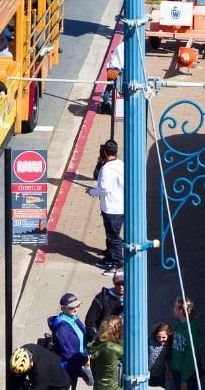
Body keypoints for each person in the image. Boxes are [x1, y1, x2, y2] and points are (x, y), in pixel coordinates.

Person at [88, 139, 124, 274]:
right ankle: (109, 257)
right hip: (119, 205)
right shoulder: (120, 164)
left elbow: (104, 189)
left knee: (113, 237)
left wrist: (91, 192)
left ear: (105, 153)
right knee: (111, 235)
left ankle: (117, 264)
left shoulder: (107, 169)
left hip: (111, 208)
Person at [47, 293, 91, 389]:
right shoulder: (62, 328)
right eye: (71, 307)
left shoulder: (73, 318)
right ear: (63, 308)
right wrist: (82, 371)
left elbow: (82, 340)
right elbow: (68, 354)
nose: (75, 309)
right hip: (67, 369)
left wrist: (86, 354)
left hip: (77, 363)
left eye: (77, 306)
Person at [167, 297, 204, 390]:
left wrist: (184, 379)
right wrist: (171, 367)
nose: (173, 309)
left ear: (181, 310)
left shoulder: (192, 331)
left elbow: (191, 356)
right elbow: (174, 349)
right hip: (176, 370)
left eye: (175, 307)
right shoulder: (178, 325)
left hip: (187, 375)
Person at [85, 271, 125, 342]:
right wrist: (96, 340)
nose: (121, 287)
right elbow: (89, 322)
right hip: (107, 340)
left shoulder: (132, 297)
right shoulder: (102, 297)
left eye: (124, 284)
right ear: (113, 283)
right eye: (118, 284)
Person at [88, 316, 124, 390]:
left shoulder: (97, 342)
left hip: (98, 385)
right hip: (113, 387)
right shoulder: (112, 348)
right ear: (117, 330)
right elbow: (131, 354)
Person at [148, 323, 171, 389]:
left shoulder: (168, 345)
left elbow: (169, 358)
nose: (161, 339)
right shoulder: (150, 340)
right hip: (147, 374)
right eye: (158, 337)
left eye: (163, 337)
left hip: (160, 375)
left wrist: (169, 370)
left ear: (168, 336)